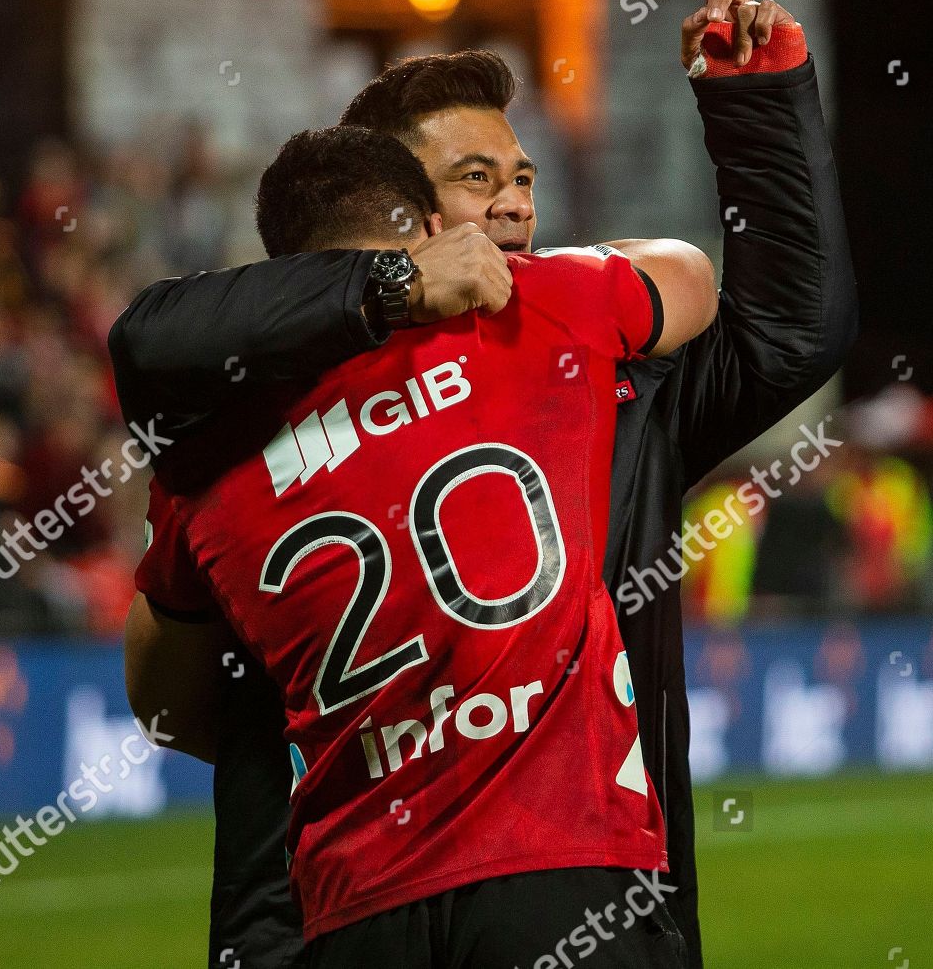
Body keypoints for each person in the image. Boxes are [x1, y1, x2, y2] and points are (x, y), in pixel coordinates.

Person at [113, 0, 858, 968]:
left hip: (421, 896)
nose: (514, 202)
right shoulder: (546, 322)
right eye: (476, 179)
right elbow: (151, 339)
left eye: (522, 176)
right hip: (348, 900)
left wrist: (755, 103)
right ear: (396, 210)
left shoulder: (590, 377)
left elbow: (790, 335)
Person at [149, 121, 719, 967]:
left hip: (353, 909)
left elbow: (164, 697)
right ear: (425, 230)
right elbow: (693, 276)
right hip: (563, 866)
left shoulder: (198, 461)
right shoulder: (540, 307)